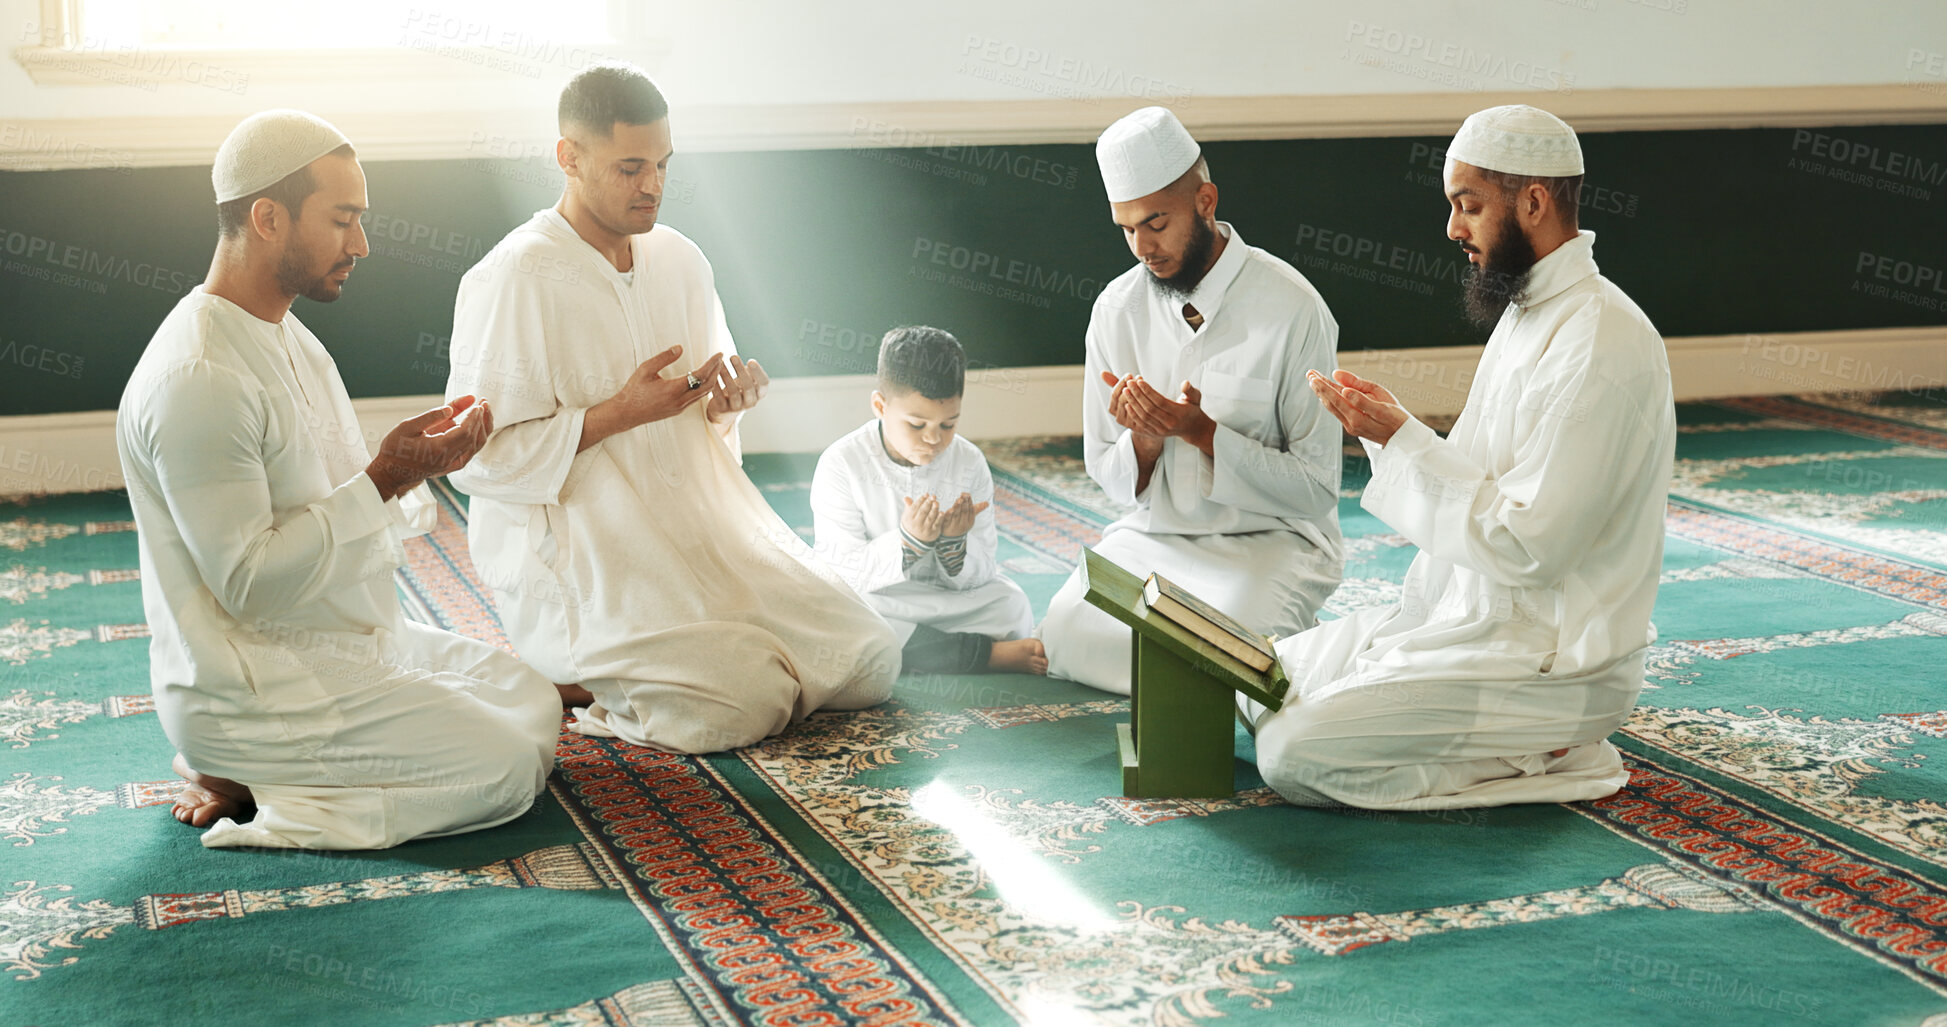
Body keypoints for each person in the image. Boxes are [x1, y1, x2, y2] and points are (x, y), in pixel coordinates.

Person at [115, 110, 561, 849]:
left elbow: (336, 497)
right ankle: (269, 784)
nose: (361, 244)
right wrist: (385, 478)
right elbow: (248, 583)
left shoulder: (288, 334)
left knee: (533, 701)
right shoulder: (199, 376)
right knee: (507, 767)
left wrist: (419, 462)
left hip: (334, 640)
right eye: (342, 218)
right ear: (267, 219)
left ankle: (257, 771)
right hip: (248, 683)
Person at [446, 63, 898, 753]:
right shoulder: (515, 276)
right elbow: (477, 460)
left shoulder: (680, 258)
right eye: (630, 167)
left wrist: (726, 406)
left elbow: (706, 413)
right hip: (589, 560)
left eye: (661, 163)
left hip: (699, 528)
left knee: (869, 654)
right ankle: (573, 674)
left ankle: (673, 657)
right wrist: (617, 413)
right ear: (568, 157)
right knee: (737, 704)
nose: (652, 185)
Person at [1247, 104, 1676, 810]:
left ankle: (1551, 754)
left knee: (1292, 752)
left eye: (1467, 205)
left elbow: (1528, 544)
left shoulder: (1599, 340)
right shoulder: (1529, 310)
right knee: (1256, 676)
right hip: (1474, 620)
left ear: (1532, 201)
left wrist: (1407, 442)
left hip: (1554, 665)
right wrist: (1394, 431)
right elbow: (1484, 479)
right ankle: (1477, 733)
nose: (1452, 229)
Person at [1038, 105, 1344, 695]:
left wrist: (1203, 433)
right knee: (1065, 638)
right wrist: (1147, 440)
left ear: (1206, 200)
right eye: (1125, 229)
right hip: (1156, 538)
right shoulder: (1115, 310)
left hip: (1271, 542)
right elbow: (1106, 471)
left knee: (1226, 664)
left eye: (1155, 222)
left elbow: (1316, 489)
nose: (1141, 247)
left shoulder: (1292, 308)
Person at [811, 326, 1045, 677]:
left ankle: (929, 653)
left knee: (1011, 604)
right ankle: (985, 656)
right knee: (828, 613)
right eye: (916, 424)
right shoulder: (841, 462)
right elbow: (843, 571)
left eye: (948, 425)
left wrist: (954, 546)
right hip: (877, 600)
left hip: (947, 602)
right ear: (879, 405)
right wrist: (909, 541)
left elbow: (984, 570)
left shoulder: (969, 461)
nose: (934, 439)